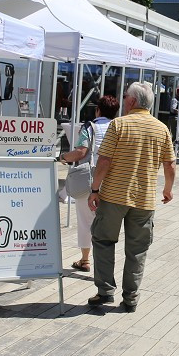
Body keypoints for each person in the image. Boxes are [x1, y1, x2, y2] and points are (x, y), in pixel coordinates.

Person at [87, 82, 176, 312]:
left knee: (104, 241)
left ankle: (105, 291)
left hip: (114, 196)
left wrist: (95, 189)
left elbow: (104, 161)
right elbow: (170, 164)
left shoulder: (118, 125)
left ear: (133, 101)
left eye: (125, 96)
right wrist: (167, 189)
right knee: (137, 250)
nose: (123, 99)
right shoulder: (161, 128)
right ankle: (131, 298)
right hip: (144, 199)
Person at [60, 95, 119, 273]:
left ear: (98, 110)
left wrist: (62, 157)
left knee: (86, 222)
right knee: (106, 225)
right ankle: (104, 264)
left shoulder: (89, 127)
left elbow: (81, 152)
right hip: (113, 181)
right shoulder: (119, 127)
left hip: (90, 180)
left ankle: (85, 260)